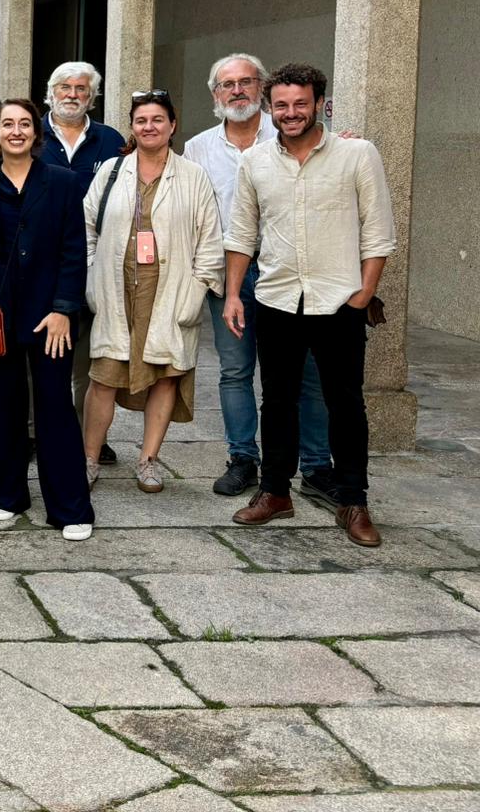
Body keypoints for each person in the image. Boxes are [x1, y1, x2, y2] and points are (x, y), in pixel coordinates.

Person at [224, 63, 395, 547]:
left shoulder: (358, 154)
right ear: (268, 107)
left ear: (319, 103)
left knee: (345, 404)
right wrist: (234, 294)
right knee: (276, 401)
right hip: (277, 299)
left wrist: (362, 294)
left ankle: (353, 500)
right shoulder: (254, 162)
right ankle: (275, 492)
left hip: (339, 301)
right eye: (282, 105)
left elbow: (378, 232)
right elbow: (241, 234)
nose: (291, 113)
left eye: (301, 103)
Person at [183, 53, 335, 498]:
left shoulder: (289, 135)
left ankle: (315, 465)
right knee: (234, 370)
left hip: (285, 273)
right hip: (227, 276)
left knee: (302, 372)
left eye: (247, 82)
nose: (238, 91)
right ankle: (243, 458)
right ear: (215, 95)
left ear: (263, 88)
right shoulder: (198, 149)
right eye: (227, 84)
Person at [0, 99, 94, 539]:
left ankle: (71, 508)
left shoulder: (62, 183)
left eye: (24, 124)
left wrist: (63, 309)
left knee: (55, 408)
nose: (15, 131)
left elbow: (74, 252)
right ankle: (6, 495)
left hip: (49, 317)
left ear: (36, 134)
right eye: (7, 125)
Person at [81, 90, 224, 494]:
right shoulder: (112, 170)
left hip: (170, 290)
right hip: (116, 289)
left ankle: (147, 460)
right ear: (133, 125)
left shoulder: (193, 177)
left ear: (173, 125)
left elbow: (210, 241)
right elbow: (85, 226)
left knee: (165, 376)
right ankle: (89, 458)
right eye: (142, 120)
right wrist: (92, 275)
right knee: (104, 376)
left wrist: (196, 291)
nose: (149, 127)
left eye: (158, 120)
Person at [41, 61, 127, 466]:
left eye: (81, 88)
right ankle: (33, 432)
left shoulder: (111, 141)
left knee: (89, 358)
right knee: (37, 353)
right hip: (39, 262)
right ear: (51, 92)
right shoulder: (31, 134)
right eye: (64, 87)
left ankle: (86, 434)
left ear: (92, 96)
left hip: (97, 265)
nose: (72, 94)